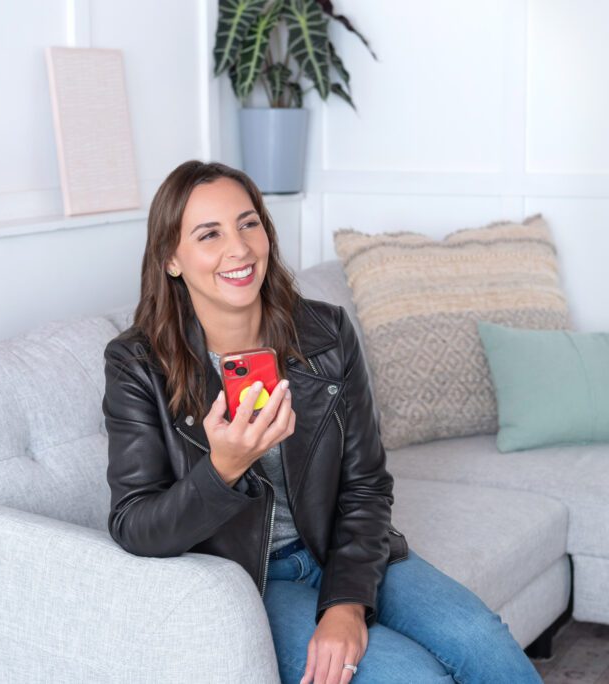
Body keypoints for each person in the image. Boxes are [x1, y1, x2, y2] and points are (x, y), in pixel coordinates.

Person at [102, 159, 544, 684]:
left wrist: (347, 603)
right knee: (412, 677)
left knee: (483, 643)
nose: (239, 248)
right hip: (251, 579)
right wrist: (223, 469)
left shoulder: (325, 331)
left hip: (345, 548)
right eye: (209, 234)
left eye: (249, 223)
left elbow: (366, 485)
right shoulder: (137, 365)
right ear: (172, 258)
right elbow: (134, 525)